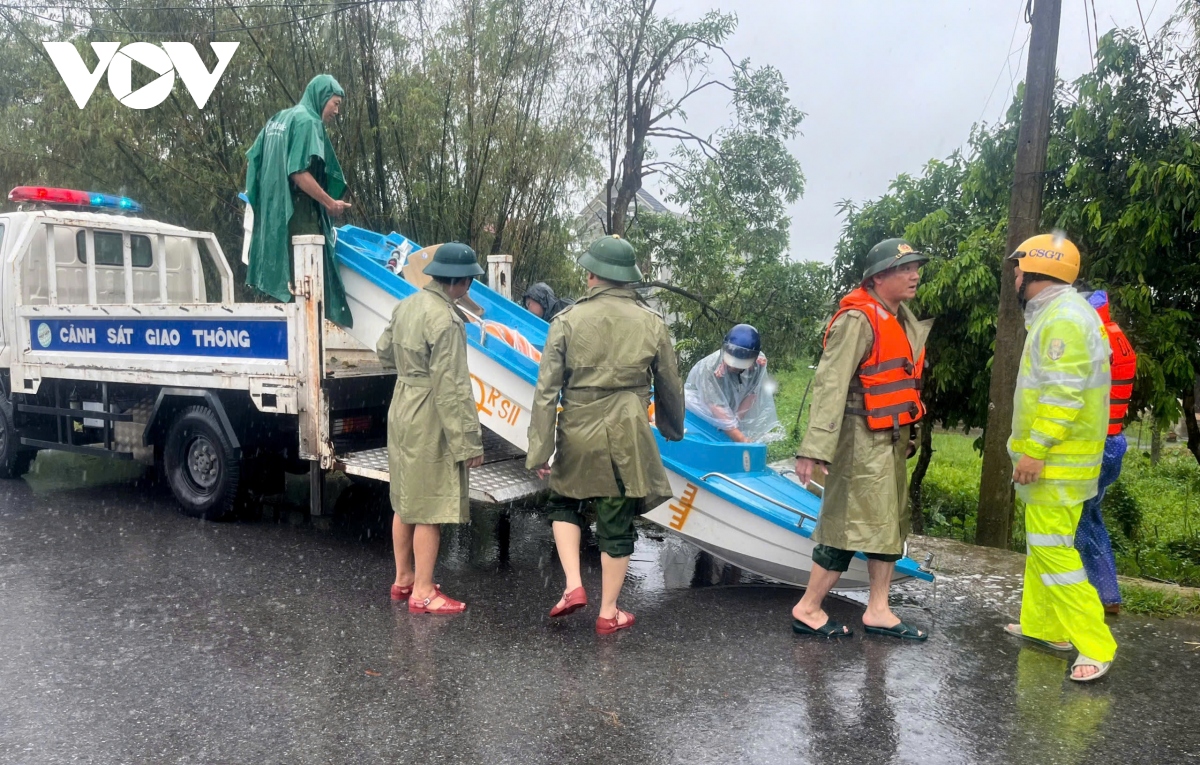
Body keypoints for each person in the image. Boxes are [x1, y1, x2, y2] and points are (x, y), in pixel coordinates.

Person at [526, 235, 685, 634]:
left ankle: (574, 586)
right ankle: (608, 612)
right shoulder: (652, 322)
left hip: (578, 427)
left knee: (564, 501)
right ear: (627, 278)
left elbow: (546, 390)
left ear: (593, 274)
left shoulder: (567, 321)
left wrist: (540, 449)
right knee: (616, 516)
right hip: (626, 432)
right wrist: (672, 428)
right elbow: (669, 384)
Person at [792, 238, 932, 641]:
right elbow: (830, 384)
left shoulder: (901, 318)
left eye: (916, 267)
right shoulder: (858, 319)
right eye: (905, 269)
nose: (915, 275)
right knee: (846, 525)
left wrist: (911, 432)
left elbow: (905, 382)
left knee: (889, 523)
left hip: (890, 440)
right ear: (879, 276)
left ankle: (879, 609)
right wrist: (814, 448)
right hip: (859, 441)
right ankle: (808, 608)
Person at [1003, 233, 1116, 682]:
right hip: (1062, 461)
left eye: (1018, 268)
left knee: (1053, 551)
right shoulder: (1062, 313)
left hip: (1057, 462)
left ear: (1034, 272)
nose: (1013, 275)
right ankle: (1045, 627)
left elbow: (1062, 397)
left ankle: (1095, 644)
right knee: (1042, 547)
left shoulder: (1065, 320)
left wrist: (1034, 451)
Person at [377, 242, 486, 614]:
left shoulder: (406, 305)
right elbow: (452, 388)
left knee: (405, 498)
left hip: (402, 404)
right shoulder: (447, 320)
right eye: (469, 280)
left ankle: (404, 578)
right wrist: (468, 442)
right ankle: (423, 591)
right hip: (430, 414)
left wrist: (411, 369)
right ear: (461, 281)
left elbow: (383, 351)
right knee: (430, 504)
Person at [245, 74, 354, 327]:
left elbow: (254, 160)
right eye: (335, 103)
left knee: (283, 285)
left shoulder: (278, 119)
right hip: (298, 215)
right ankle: (306, 348)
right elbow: (298, 172)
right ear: (322, 97)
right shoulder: (308, 122)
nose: (337, 111)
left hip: (274, 217)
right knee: (307, 287)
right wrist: (329, 202)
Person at [1076, 289, 1136, 615]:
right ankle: (1107, 595)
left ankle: (1077, 602)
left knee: (1075, 525)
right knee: (1092, 518)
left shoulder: (1094, 341)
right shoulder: (1116, 335)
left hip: (1093, 445)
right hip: (1113, 442)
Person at [684, 324, 783, 443]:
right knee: (707, 441)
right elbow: (716, 407)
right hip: (697, 413)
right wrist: (741, 439)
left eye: (741, 363)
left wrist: (735, 421)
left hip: (725, 412)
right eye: (732, 362)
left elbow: (751, 394)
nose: (734, 366)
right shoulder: (709, 368)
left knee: (727, 440)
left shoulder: (758, 364)